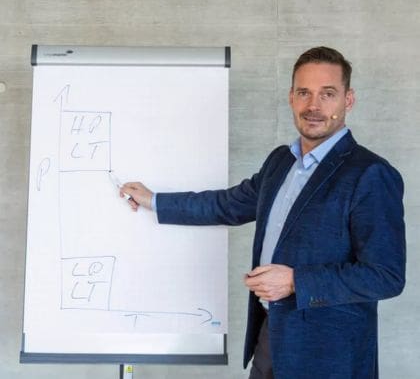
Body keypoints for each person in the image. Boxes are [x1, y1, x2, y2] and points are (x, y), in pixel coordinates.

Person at [120, 46, 406, 379]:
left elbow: (386, 276)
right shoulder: (280, 162)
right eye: (304, 93)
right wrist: (154, 200)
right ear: (291, 98)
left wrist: (295, 281)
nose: (313, 106)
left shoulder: (370, 174)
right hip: (271, 338)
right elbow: (227, 205)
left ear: (348, 100)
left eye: (327, 94)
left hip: (330, 357)